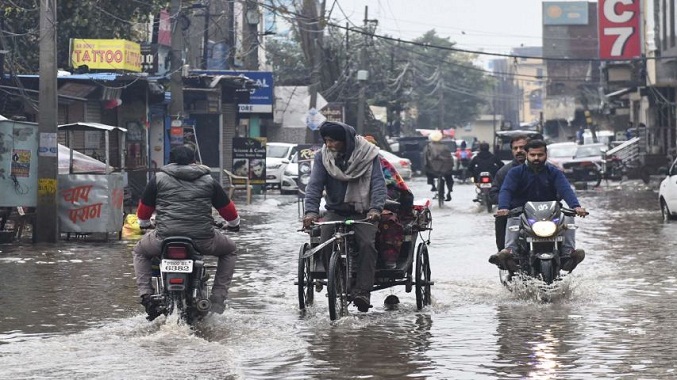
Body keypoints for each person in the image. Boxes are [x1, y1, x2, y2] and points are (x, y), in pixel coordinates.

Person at [133, 145, 240, 320]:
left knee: (140, 251)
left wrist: (144, 224)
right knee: (230, 249)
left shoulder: (158, 179)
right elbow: (228, 211)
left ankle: (146, 296)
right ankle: (218, 297)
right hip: (203, 239)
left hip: (164, 239)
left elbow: (143, 212)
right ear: (194, 161)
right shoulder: (209, 181)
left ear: (171, 161)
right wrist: (234, 224)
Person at [302, 122, 386, 313]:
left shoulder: (369, 155)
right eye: (326, 141)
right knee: (324, 241)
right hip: (335, 210)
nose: (328, 144)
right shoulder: (322, 157)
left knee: (367, 244)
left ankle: (363, 291)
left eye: (333, 141)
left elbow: (378, 185)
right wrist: (310, 212)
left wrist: (375, 209)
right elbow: (314, 186)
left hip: (362, 212)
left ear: (345, 141)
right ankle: (336, 282)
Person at [489, 139, 587, 273]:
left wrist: (576, 206)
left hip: (551, 212)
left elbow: (566, 189)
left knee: (568, 216)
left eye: (540, 155)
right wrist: (504, 207)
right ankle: (510, 251)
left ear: (546, 155)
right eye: (533, 155)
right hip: (523, 212)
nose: (536, 158)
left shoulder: (554, 172)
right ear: (527, 155)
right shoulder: (515, 173)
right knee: (513, 217)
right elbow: (506, 190)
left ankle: (568, 253)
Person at [489, 134, 528, 251]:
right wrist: (507, 205)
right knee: (501, 219)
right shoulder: (504, 172)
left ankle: (566, 254)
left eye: (522, 147)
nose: (519, 151)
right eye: (515, 148)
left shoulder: (547, 168)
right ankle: (503, 254)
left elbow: (561, 188)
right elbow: (494, 193)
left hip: (541, 211)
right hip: (514, 212)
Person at [423, 130, 454, 201]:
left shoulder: (428, 147)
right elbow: (450, 159)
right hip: (446, 170)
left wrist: (426, 167)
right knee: (449, 179)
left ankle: (433, 185)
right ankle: (449, 191)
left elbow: (425, 160)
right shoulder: (445, 147)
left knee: (428, 173)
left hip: (433, 170)